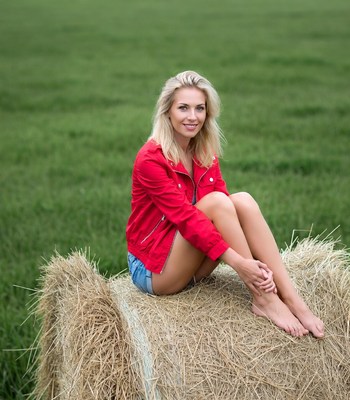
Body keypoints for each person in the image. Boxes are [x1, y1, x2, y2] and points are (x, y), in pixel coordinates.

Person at [126, 71, 324, 338]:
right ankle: (264, 298)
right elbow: (187, 218)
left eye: (200, 108)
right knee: (219, 203)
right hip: (154, 269)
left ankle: (291, 297)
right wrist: (240, 263)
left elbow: (227, 209)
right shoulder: (150, 159)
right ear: (167, 112)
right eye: (183, 108)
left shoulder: (203, 149)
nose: (192, 117)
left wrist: (247, 259)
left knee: (242, 201)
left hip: (190, 257)